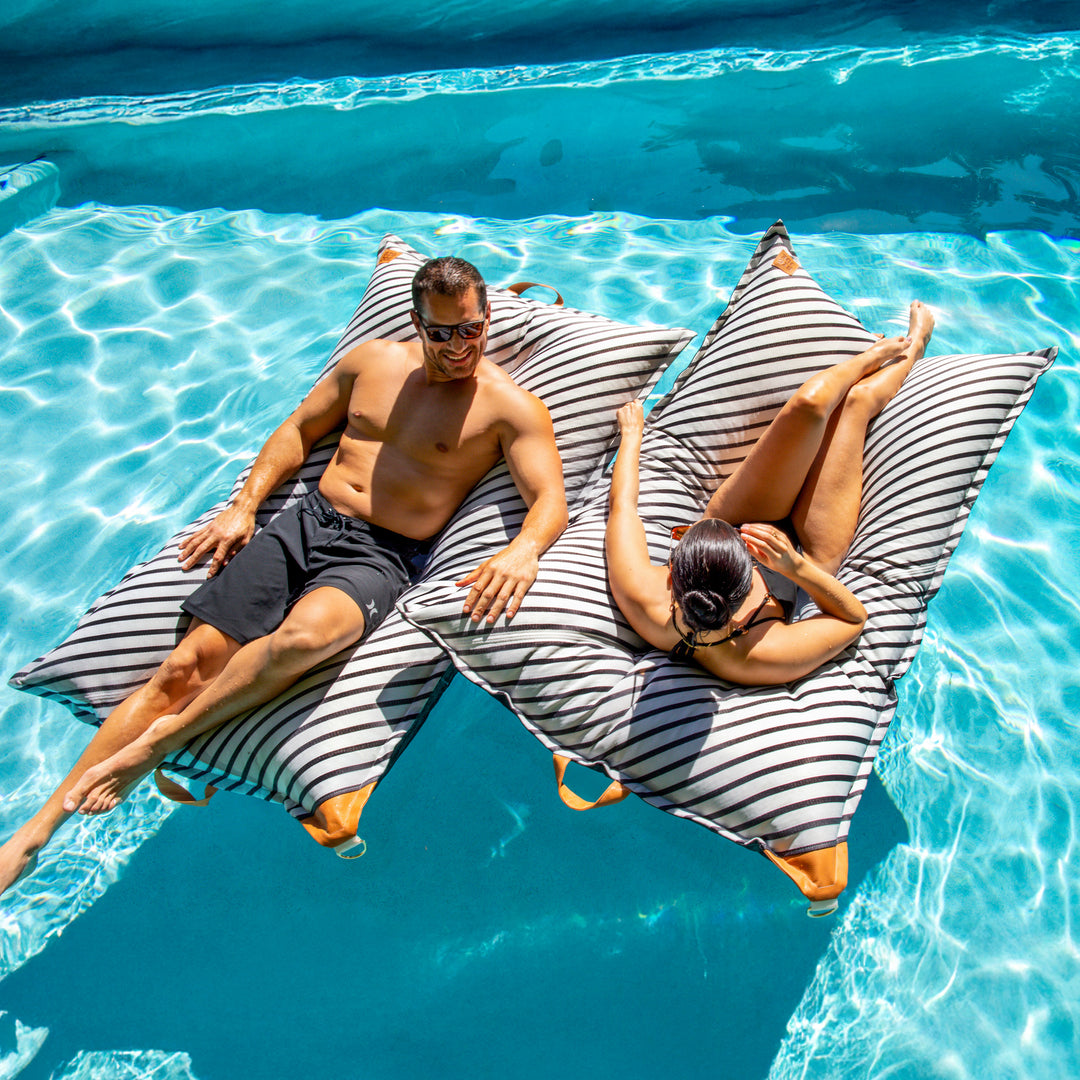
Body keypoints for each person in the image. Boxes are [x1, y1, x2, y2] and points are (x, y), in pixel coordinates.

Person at [0, 256, 567, 895]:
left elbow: (550, 500)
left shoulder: (509, 408)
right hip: (306, 523)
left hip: (382, 557)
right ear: (417, 322)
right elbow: (300, 429)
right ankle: (32, 835)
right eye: (442, 333)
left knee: (302, 641)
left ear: (486, 318)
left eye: (471, 330)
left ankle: (157, 744)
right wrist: (244, 508)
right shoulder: (371, 364)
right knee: (183, 669)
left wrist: (525, 549)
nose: (459, 347)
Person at [606, 301, 934, 687]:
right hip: (804, 559)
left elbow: (623, 508)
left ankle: (870, 356)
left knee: (811, 404)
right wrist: (794, 566)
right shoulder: (758, 655)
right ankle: (916, 345)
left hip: (738, 515)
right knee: (856, 405)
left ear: (676, 574)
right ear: (746, 594)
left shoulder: (644, 597)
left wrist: (632, 437)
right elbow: (854, 618)